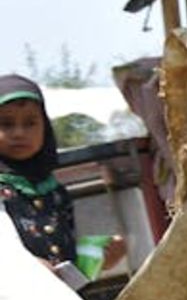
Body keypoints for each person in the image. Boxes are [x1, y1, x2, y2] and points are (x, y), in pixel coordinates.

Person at [0, 75, 125, 288]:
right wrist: (28, 266)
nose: (19, 133)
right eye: (6, 124)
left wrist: (101, 258)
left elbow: (68, 255)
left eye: (30, 123)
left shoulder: (55, 192)